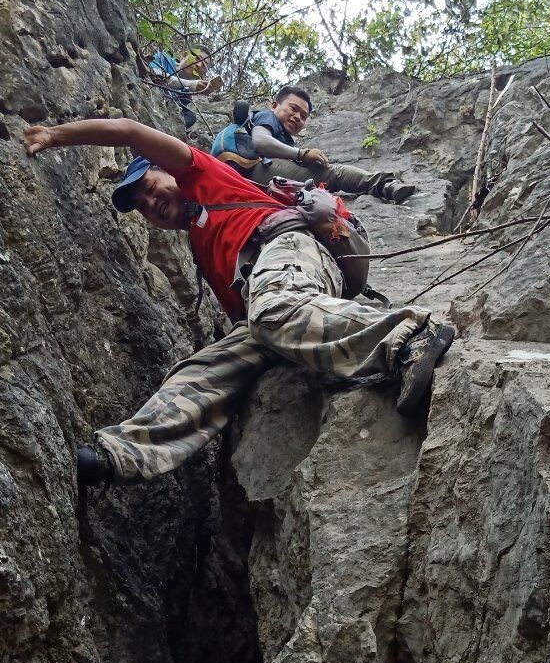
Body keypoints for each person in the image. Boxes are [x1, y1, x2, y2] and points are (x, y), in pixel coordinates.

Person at [23, 117, 454, 487]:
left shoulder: (204, 175)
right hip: (270, 293)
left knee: (271, 312)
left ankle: (411, 334)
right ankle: (120, 455)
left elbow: (130, 132)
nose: (151, 204)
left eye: (150, 188)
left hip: (289, 249)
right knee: (207, 366)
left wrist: (58, 136)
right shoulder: (203, 245)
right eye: (142, 208)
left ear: (168, 171)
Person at [244, 85, 416, 205]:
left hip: (251, 176)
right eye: (293, 108)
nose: (298, 117)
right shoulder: (267, 116)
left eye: (303, 116)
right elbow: (261, 142)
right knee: (334, 174)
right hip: (254, 172)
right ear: (275, 106)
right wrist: (301, 154)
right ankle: (386, 184)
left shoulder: (282, 136)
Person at [149, 48, 218, 132]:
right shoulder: (164, 58)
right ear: (185, 55)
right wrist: (189, 84)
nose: (199, 65)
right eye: (197, 58)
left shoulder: (186, 91)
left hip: (160, 123)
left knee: (190, 116)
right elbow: (153, 73)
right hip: (149, 100)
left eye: (204, 65)